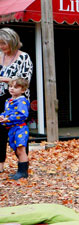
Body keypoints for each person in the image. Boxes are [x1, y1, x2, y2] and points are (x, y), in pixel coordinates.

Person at [0, 28, 32, 171]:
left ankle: (22, 166)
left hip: (17, 100)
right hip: (1, 97)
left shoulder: (23, 57)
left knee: (18, 132)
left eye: (3, 43)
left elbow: (25, 80)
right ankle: (0, 163)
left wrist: (4, 79)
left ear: (12, 41)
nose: (1, 47)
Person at [0, 77, 30, 180]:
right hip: (12, 129)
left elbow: (22, 115)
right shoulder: (9, 100)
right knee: (16, 149)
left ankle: (23, 172)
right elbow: (6, 112)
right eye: (10, 86)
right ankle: (20, 171)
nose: (12, 89)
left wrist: (8, 119)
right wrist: (3, 116)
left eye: (16, 87)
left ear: (23, 90)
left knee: (21, 149)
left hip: (20, 128)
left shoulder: (22, 101)